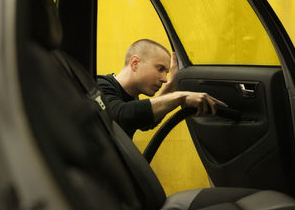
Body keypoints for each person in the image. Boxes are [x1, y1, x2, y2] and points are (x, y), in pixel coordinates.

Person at [97, 39, 227, 138]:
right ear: (135, 63)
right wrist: (180, 97)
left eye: (166, 72)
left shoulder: (131, 98)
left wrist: (169, 89)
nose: (164, 78)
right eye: (160, 69)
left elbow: (145, 121)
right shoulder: (99, 85)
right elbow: (121, 115)